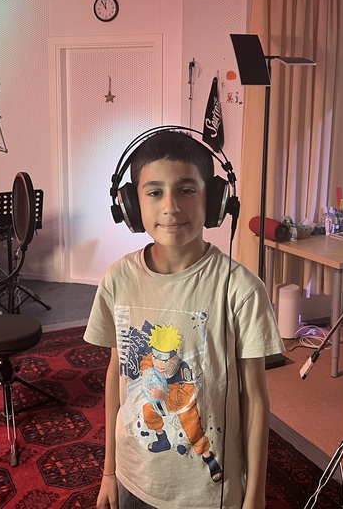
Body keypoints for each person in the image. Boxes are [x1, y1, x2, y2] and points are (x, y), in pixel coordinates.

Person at [84, 129, 284, 509]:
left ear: (214, 200)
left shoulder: (241, 289)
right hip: (133, 478)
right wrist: (109, 472)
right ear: (130, 205)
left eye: (186, 190)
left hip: (208, 495)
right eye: (154, 192)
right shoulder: (117, 280)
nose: (171, 207)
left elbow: (255, 398)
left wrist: (256, 495)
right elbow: (116, 375)